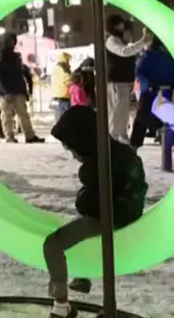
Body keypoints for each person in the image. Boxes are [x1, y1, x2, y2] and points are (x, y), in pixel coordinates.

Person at [45, 106, 146, 318]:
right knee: (83, 238)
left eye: (71, 148)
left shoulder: (97, 167)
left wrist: (83, 200)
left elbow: (90, 206)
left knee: (53, 244)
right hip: (130, 214)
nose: (71, 153)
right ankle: (82, 277)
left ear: (83, 141)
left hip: (112, 219)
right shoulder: (124, 153)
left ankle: (61, 306)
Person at [104, 14, 151, 144]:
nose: (123, 26)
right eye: (121, 23)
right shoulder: (111, 40)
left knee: (123, 112)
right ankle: (113, 139)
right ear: (115, 25)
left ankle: (121, 137)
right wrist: (141, 42)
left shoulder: (118, 40)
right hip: (116, 82)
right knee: (116, 113)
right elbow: (124, 52)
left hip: (123, 81)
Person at [0, 33, 44, 143]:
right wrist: (5, 92)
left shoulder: (16, 57)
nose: (11, 43)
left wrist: (25, 90)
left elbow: (20, 74)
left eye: (12, 41)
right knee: (7, 115)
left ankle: (29, 135)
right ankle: (9, 136)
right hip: (5, 92)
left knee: (23, 114)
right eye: (9, 41)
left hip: (17, 89)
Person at [131, 39, 174, 148]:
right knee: (143, 118)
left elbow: (139, 74)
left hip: (153, 94)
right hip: (157, 94)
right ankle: (134, 146)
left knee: (142, 119)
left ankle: (134, 146)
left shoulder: (148, 56)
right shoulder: (154, 56)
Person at [51, 52, 73, 121]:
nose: (69, 62)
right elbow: (66, 80)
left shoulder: (57, 68)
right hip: (63, 98)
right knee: (64, 120)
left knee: (60, 119)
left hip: (58, 97)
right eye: (68, 59)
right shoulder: (62, 68)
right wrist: (74, 81)